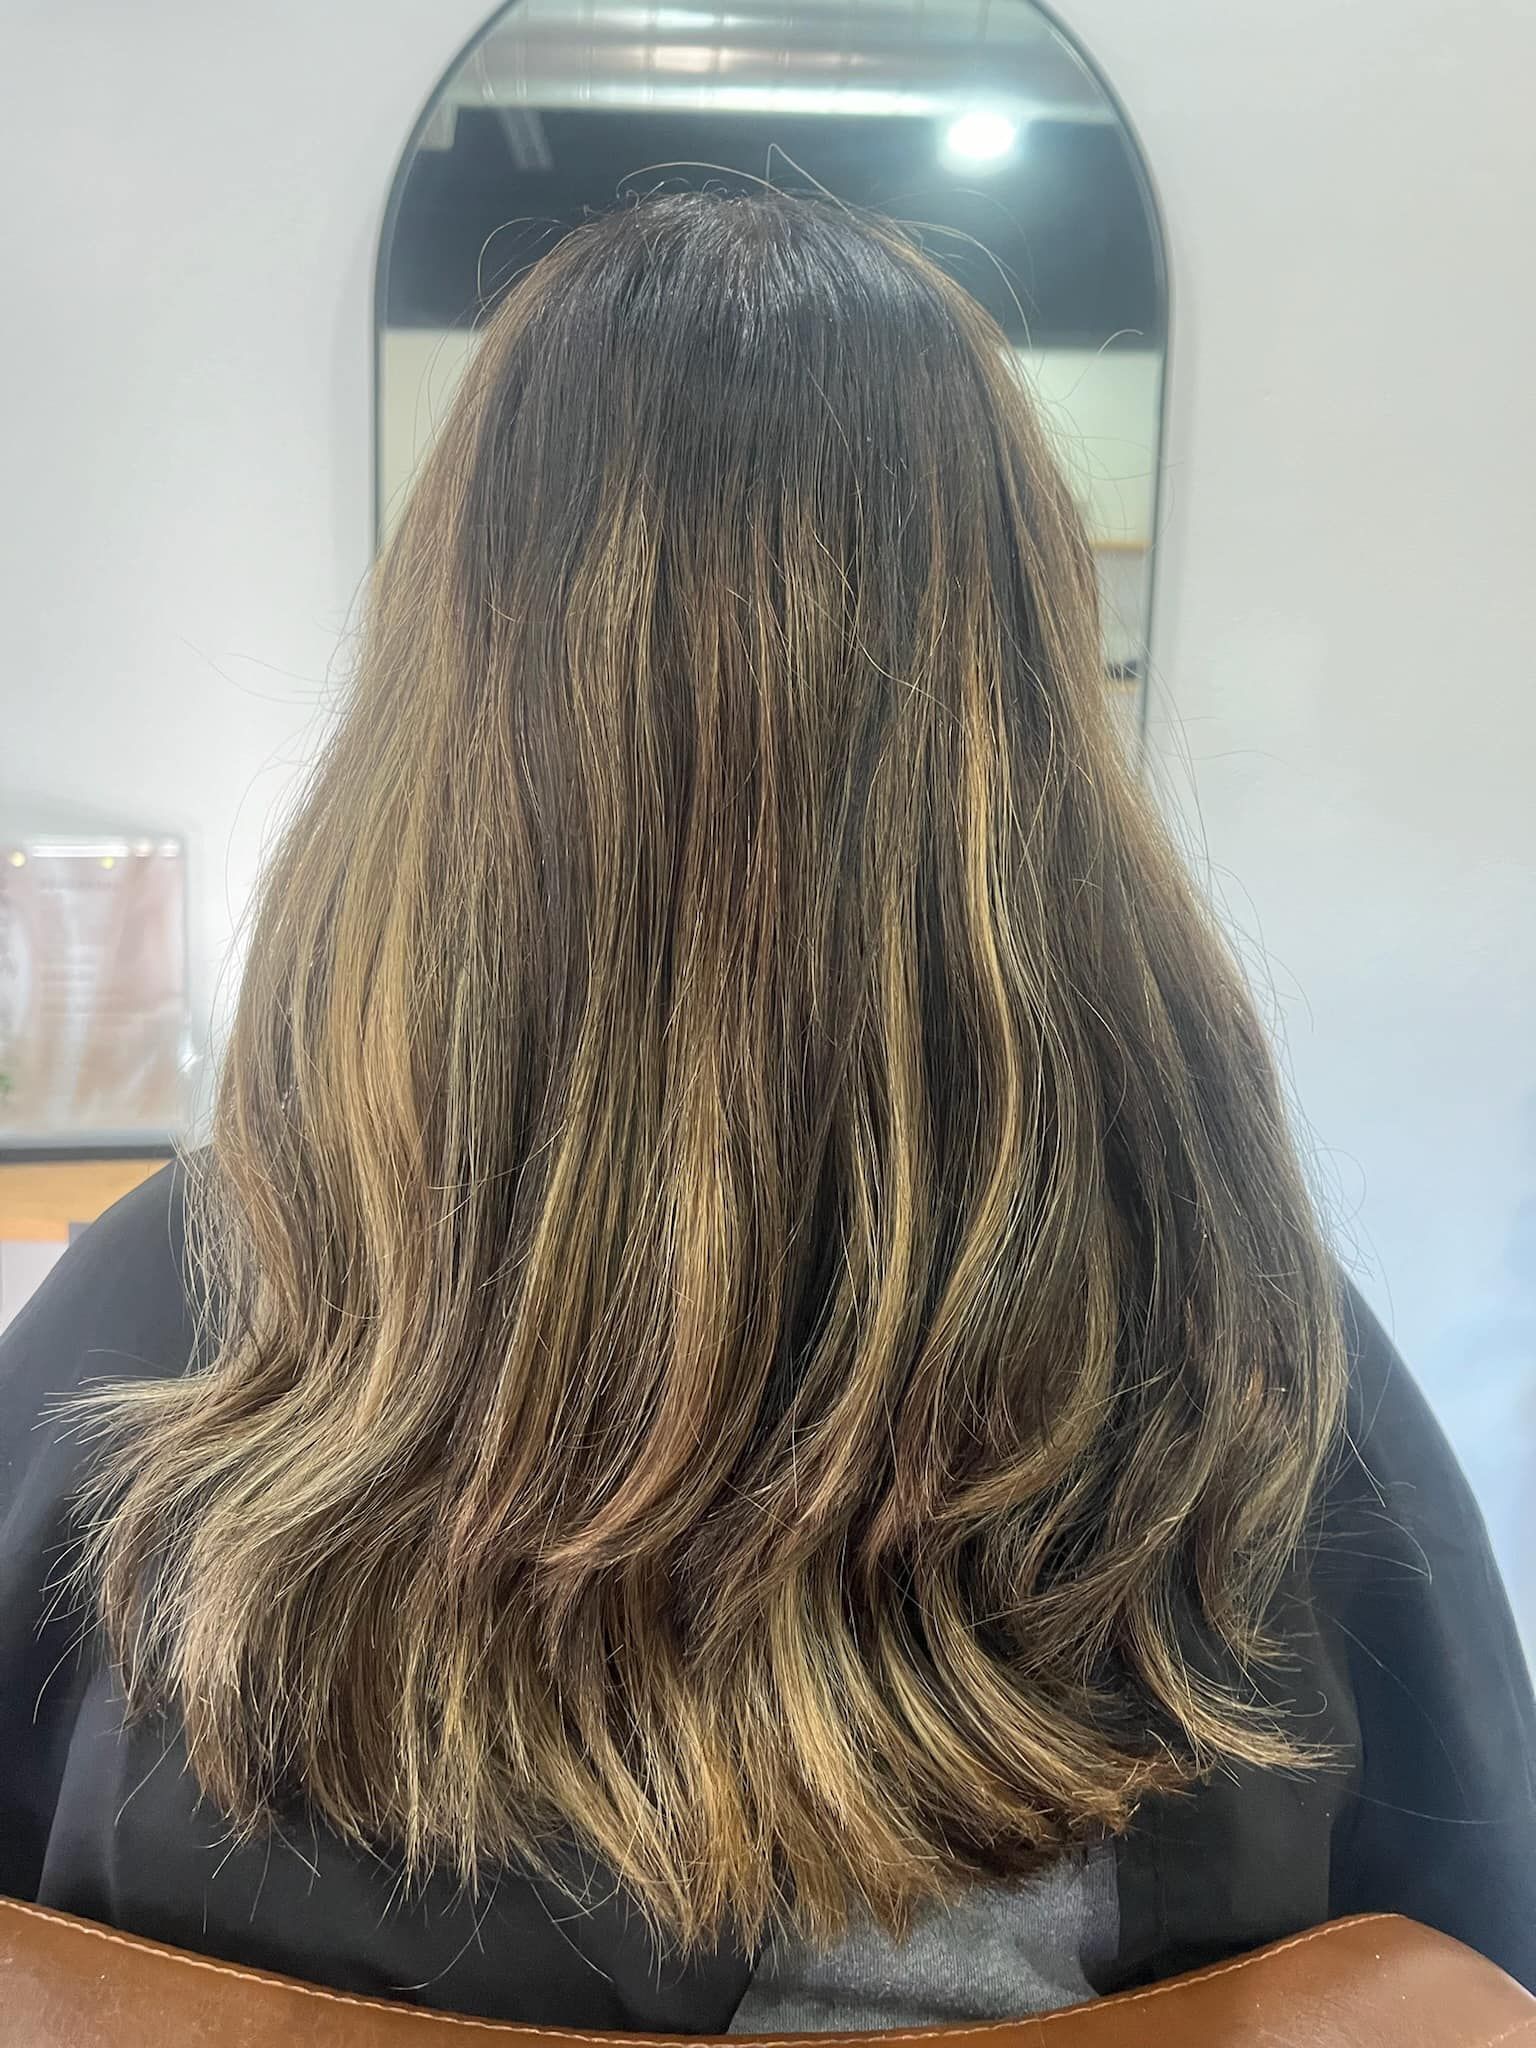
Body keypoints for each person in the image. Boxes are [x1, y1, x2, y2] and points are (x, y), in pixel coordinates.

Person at [1, 192, 1532, 2030]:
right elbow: (1474, 1953)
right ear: (1023, 723)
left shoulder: (166, 1307)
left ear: (444, 713)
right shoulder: (1244, 1355)